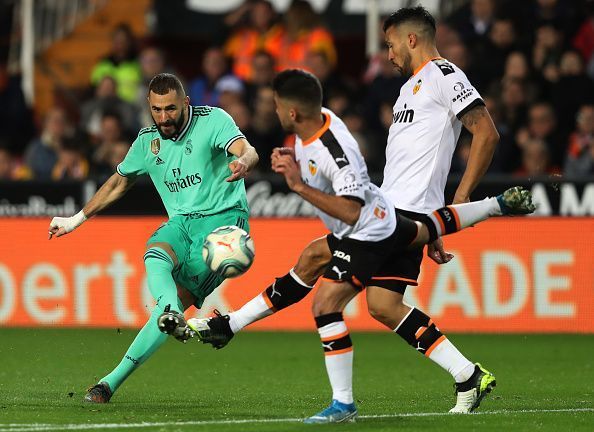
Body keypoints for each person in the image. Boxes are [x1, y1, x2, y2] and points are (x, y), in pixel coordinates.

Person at [191, 6, 503, 416]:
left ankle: (236, 330)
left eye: (390, 45)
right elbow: (419, 164)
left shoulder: (445, 76)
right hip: (397, 210)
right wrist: (433, 226)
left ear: (412, 39)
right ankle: (468, 375)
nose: (388, 55)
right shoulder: (411, 87)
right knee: (383, 305)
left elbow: (486, 130)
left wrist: (459, 201)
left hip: (397, 216)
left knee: (322, 282)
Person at [47, 73, 259, 403]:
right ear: (149, 106)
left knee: (167, 306)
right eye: (157, 110)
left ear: (186, 103)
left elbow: (247, 149)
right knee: (155, 252)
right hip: (182, 223)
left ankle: (109, 383)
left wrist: (244, 161)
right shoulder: (148, 143)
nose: (164, 117)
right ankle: (170, 310)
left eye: (171, 109)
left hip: (223, 227)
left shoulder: (214, 120)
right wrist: (76, 220)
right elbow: (118, 182)